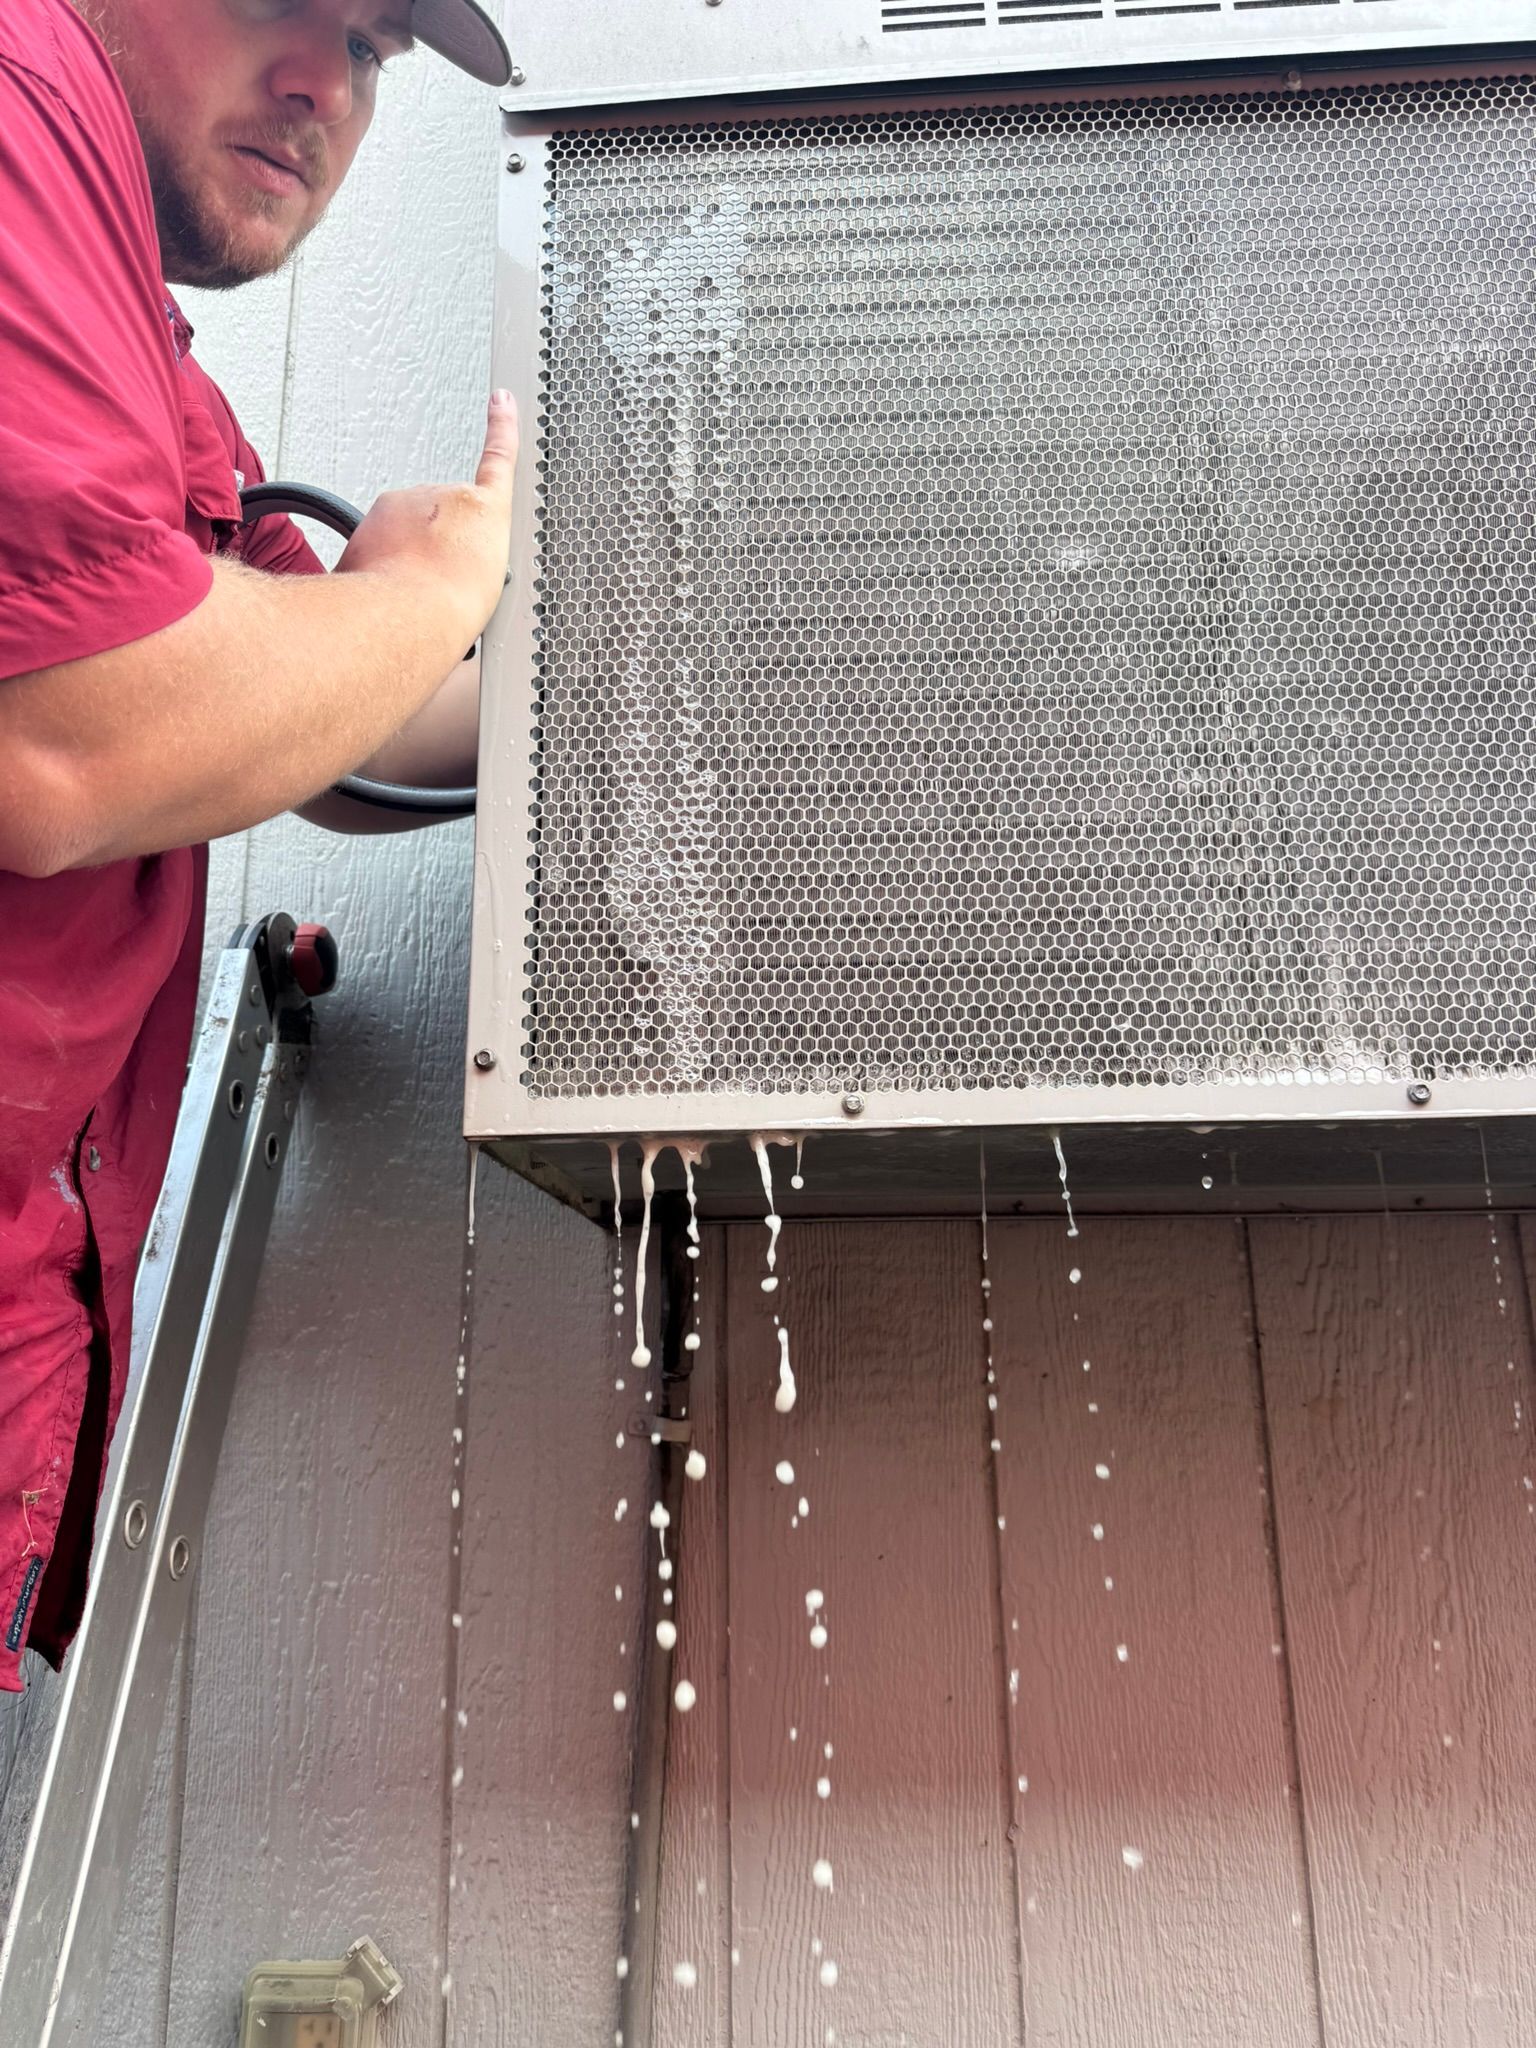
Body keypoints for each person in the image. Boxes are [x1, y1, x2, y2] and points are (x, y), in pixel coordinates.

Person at [0, 0, 518, 1696]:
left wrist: (639, 694)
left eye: (369, 49)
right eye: (280, 2)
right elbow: (75, 735)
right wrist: (429, 591)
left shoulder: (153, 376)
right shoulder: (17, 103)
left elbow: (323, 726)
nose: (321, 87)